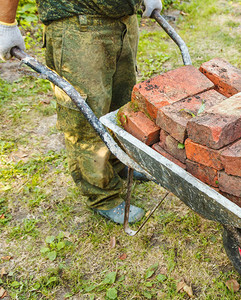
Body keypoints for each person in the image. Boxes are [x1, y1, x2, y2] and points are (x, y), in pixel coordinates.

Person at [0, 0, 162, 224]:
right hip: (78, 24)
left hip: (123, 22)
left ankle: (119, 163)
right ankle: (102, 196)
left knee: (122, 104)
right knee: (86, 117)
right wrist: (6, 23)